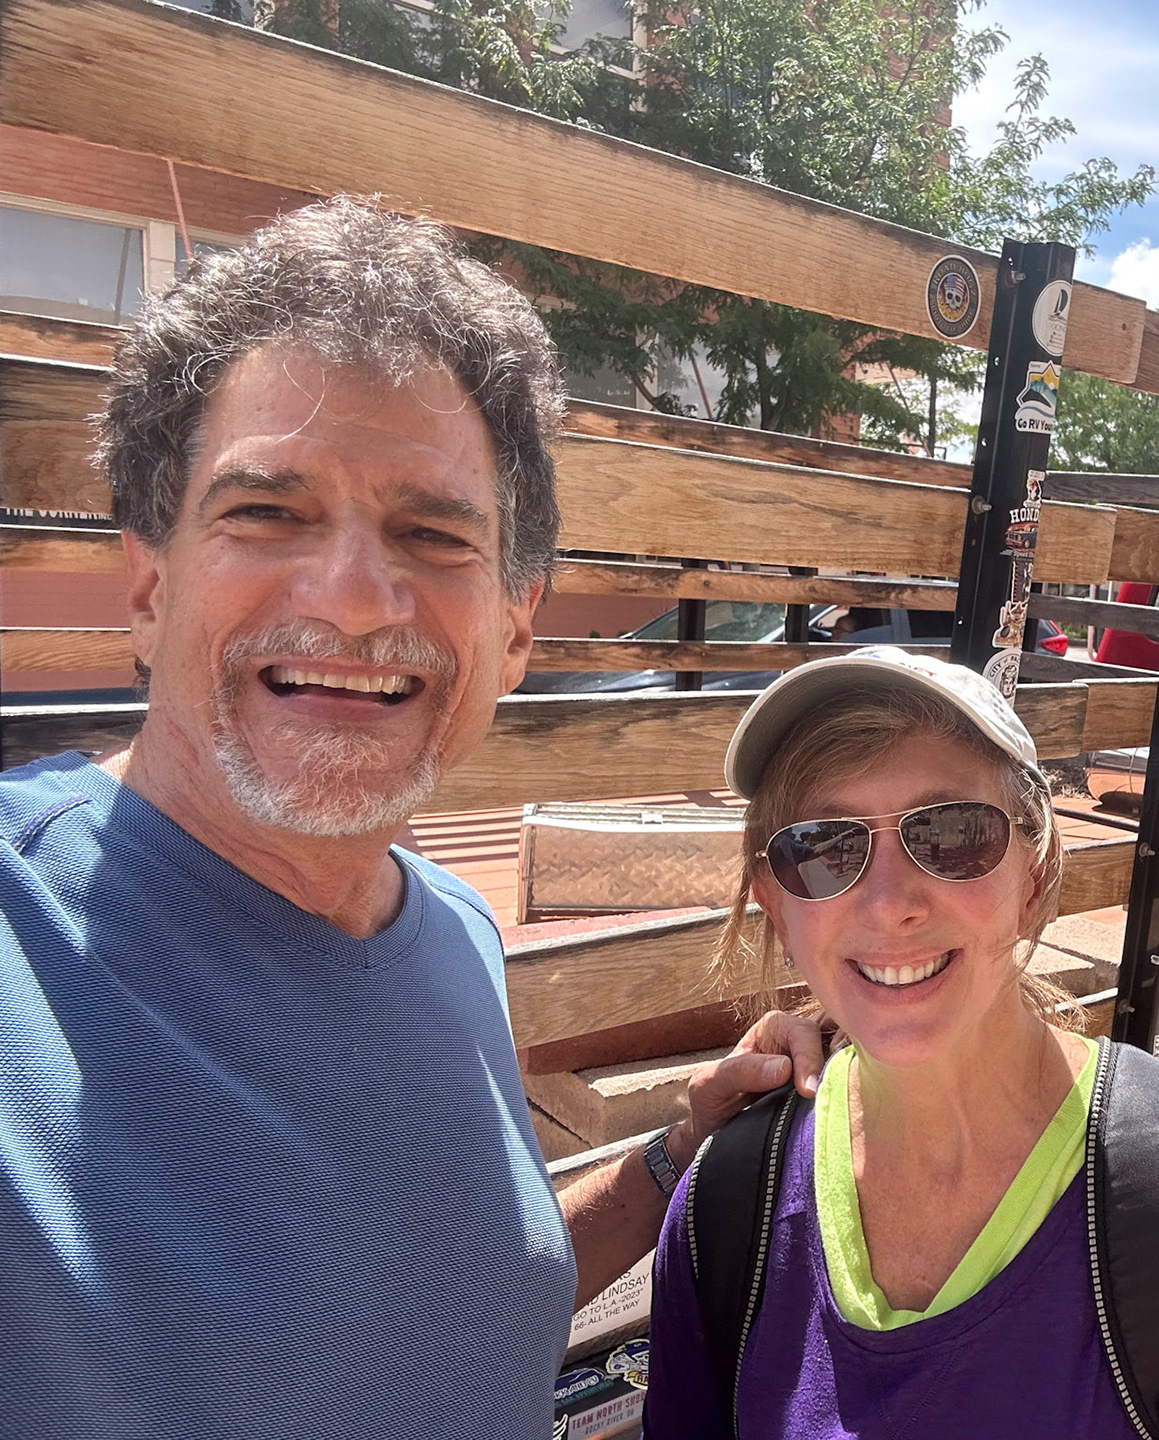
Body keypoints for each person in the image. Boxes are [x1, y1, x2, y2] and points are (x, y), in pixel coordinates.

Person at [0, 197, 813, 1440]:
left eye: (433, 535)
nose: (356, 598)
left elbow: (442, 1316)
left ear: (517, 630)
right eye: (266, 512)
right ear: (150, 586)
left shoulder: (449, 932)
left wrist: (671, 1158)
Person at [645, 647, 1159, 1438]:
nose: (888, 905)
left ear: (1035, 873)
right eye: (824, 848)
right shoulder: (727, 1209)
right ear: (776, 903)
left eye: (948, 834)